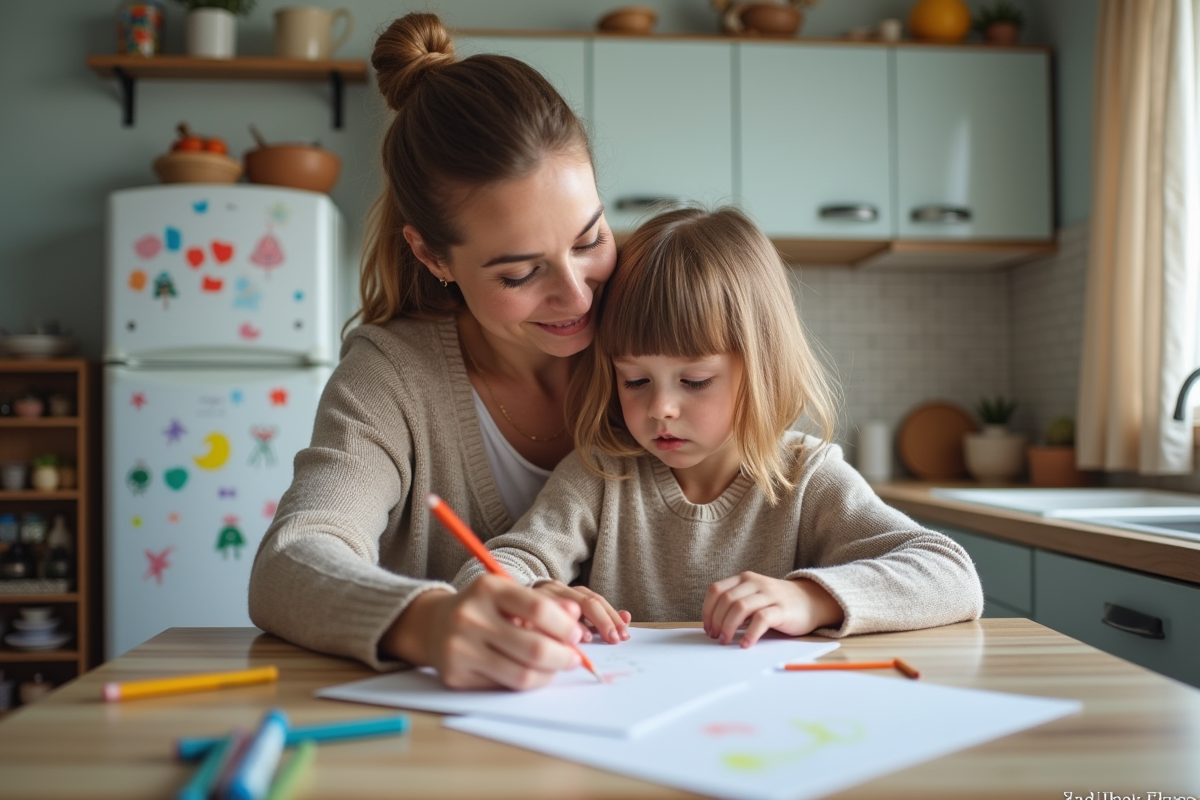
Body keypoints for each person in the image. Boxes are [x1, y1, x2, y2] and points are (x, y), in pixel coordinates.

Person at [249, 12, 630, 690]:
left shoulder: (656, 338)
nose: (576, 296)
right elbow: (291, 561)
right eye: (520, 274)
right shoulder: (391, 377)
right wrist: (427, 621)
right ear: (432, 255)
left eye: (590, 240)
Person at [453, 206, 983, 646]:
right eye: (635, 381)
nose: (661, 408)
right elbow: (494, 566)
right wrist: (530, 594)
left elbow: (951, 575)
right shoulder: (600, 473)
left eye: (695, 381)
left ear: (761, 369)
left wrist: (810, 598)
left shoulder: (806, 475)